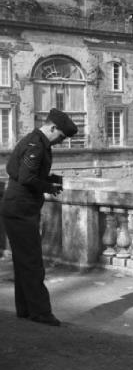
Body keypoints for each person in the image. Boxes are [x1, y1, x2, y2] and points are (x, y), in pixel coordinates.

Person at [1, 108, 77, 327]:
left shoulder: (35, 141)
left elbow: (14, 169)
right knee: (33, 263)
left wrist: (48, 178)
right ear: (52, 127)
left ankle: (25, 309)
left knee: (23, 261)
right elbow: (26, 176)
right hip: (21, 210)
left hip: (18, 207)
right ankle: (41, 312)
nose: (60, 141)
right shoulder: (36, 144)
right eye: (61, 136)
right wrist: (48, 187)